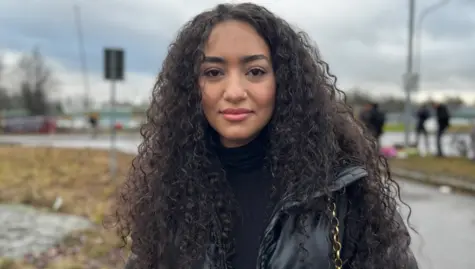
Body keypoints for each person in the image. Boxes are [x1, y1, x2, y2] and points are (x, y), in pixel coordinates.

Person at [114, 3, 418, 269]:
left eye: (255, 72)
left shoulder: (340, 188)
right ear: (191, 88)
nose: (234, 92)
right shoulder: (170, 190)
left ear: (283, 81)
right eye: (213, 73)